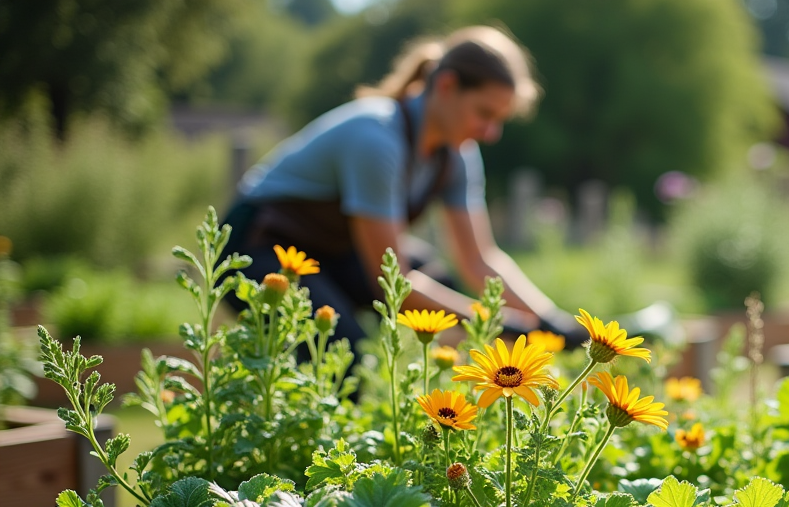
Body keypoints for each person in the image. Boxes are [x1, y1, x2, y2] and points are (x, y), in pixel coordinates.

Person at [222, 26, 580, 349]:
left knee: (441, 281)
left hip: (330, 249)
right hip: (256, 243)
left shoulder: (456, 155)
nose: (491, 133)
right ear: (447, 86)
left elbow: (479, 258)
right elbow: (391, 283)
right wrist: (500, 323)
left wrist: (552, 322)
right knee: (340, 345)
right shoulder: (377, 138)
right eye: (484, 114)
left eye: (499, 120)